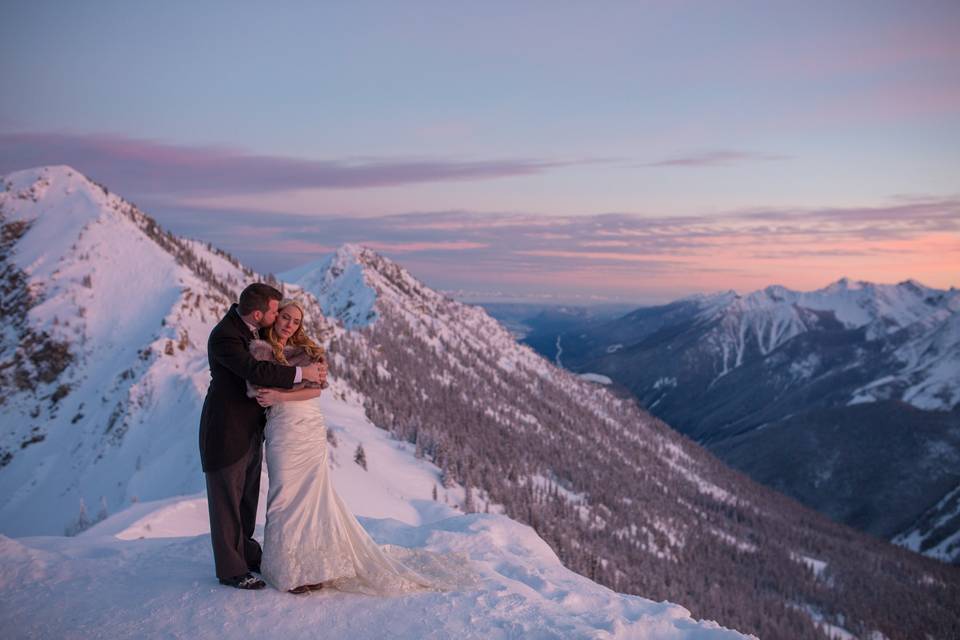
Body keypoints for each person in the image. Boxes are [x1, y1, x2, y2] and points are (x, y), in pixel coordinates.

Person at [251, 299, 465, 595]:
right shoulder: (260, 350)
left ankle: (313, 566)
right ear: (275, 318)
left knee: (313, 497)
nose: (289, 324)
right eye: (285, 317)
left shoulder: (308, 352)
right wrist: (294, 384)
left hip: (309, 425)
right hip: (283, 428)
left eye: (296, 321)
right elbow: (259, 390)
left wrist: (284, 394)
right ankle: (286, 567)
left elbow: (316, 390)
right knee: (283, 496)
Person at [199, 284, 326, 590]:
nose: (278, 317)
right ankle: (231, 570)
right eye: (274, 311)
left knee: (246, 499)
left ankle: (246, 552)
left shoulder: (252, 331)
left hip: (253, 430)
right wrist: (303, 374)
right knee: (226, 500)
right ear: (259, 313)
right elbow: (256, 371)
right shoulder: (226, 336)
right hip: (226, 430)